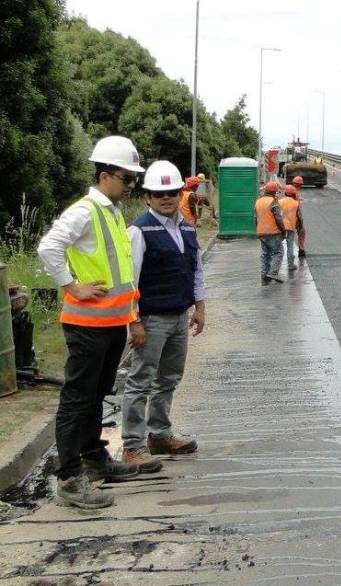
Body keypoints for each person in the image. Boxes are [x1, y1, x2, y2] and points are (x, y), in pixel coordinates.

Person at [37, 136, 144, 509]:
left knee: (97, 395)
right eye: (126, 179)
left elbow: (121, 275)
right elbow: (48, 247)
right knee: (77, 399)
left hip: (111, 323)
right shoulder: (84, 211)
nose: (131, 187)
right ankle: (69, 478)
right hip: (87, 324)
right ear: (104, 176)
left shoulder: (112, 212)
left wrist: (130, 318)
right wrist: (71, 285)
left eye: (134, 180)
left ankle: (94, 457)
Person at [121, 161, 206, 474]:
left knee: (168, 378)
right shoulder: (139, 231)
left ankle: (159, 434)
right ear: (148, 197)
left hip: (180, 316)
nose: (166, 198)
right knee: (140, 380)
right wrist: (134, 321)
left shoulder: (186, 226)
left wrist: (200, 306)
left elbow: (196, 269)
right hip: (152, 319)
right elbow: (130, 280)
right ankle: (132, 446)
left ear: (179, 193)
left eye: (171, 192)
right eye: (159, 193)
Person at [255, 181, 286, 284]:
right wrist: (283, 230)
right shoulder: (273, 202)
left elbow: (256, 218)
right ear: (275, 192)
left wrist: (258, 229)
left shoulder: (258, 201)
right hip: (272, 232)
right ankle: (273, 272)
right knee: (278, 252)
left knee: (265, 255)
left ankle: (264, 278)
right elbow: (278, 218)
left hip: (261, 232)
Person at [280, 184, 301, 272]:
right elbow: (299, 216)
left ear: (285, 192)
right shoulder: (296, 203)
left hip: (280, 227)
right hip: (290, 227)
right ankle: (290, 265)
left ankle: (275, 265)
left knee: (277, 247)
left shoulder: (279, 201)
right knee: (290, 246)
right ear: (293, 194)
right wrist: (300, 227)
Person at [290, 175, 307, 257]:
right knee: (301, 232)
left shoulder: (289, 190)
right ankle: (301, 249)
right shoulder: (295, 193)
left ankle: (290, 252)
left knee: (289, 236)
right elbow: (297, 208)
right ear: (300, 185)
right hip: (295, 216)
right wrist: (300, 220)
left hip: (287, 216)